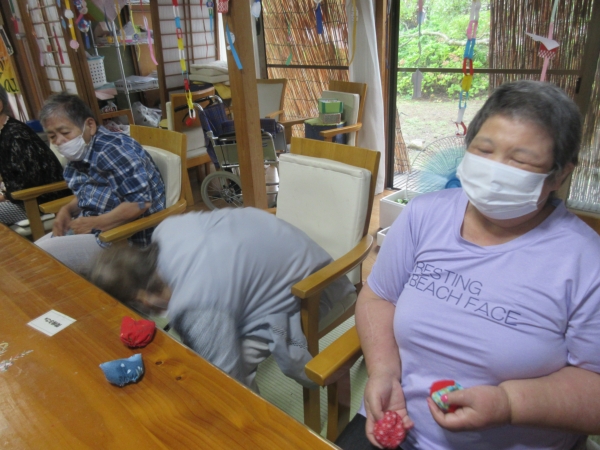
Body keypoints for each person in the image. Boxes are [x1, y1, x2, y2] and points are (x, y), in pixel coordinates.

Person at [336, 81, 600, 450]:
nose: (495, 170)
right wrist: (383, 371)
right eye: (484, 150)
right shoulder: (423, 216)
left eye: (521, 161)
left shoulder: (586, 261)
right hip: (398, 422)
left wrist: (508, 404)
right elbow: (379, 297)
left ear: (559, 174)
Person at [90, 207, 355, 391]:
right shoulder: (165, 230)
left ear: (142, 299)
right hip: (299, 255)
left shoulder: (196, 306)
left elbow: (227, 377)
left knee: (224, 381)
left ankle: (255, 431)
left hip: (319, 290)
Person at [35, 93, 165, 275]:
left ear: (90, 125)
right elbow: (93, 192)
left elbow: (140, 203)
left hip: (125, 237)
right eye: (52, 136)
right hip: (99, 229)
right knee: (31, 252)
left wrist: (96, 223)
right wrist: (67, 210)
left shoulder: (112, 151)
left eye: (64, 133)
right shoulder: (84, 151)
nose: (59, 142)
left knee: (38, 260)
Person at [0, 85, 69, 226]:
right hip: (21, 197)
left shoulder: (16, 134)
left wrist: (4, 196)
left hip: (38, 200)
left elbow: (28, 181)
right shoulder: (4, 129)